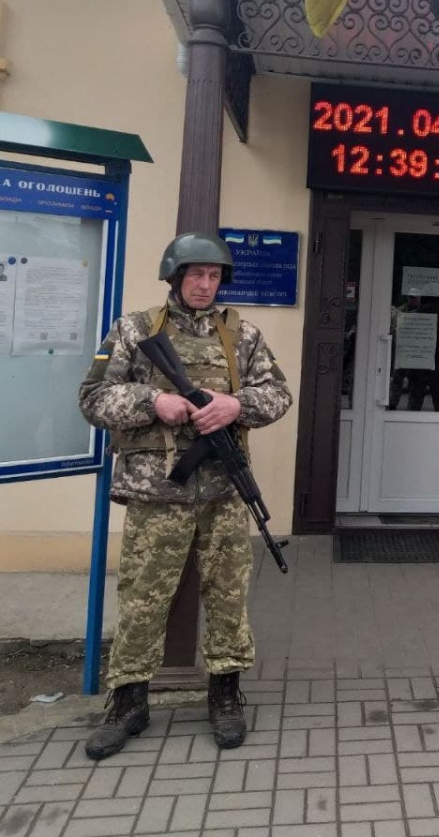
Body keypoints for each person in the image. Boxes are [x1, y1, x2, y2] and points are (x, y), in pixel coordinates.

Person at [78, 232, 292, 760]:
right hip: (157, 493)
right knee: (143, 598)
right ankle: (128, 702)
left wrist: (236, 405)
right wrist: (154, 401)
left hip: (222, 492)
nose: (205, 285)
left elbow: (278, 394)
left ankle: (225, 695)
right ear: (175, 277)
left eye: (214, 276)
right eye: (195, 274)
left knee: (227, 594)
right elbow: (94, 398)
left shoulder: (242, 334)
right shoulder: (134, 330)